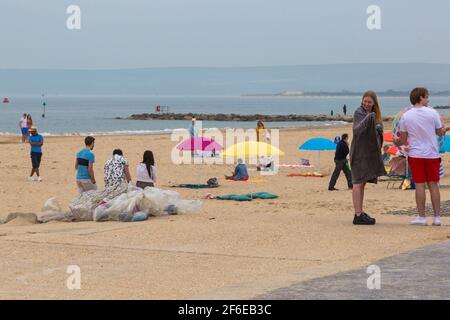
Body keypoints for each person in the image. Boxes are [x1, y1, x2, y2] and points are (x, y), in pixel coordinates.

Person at [394, 87, 450, 226]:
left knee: (419, 185)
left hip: (416, 154)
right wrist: (445, 129)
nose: (428, 99)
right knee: (433, 185)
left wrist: (396, 140)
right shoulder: (433, 113)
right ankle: (437, 218)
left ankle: (422, 217)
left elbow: (403, 139)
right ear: (421, 98)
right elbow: (439, 132)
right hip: (432, 154)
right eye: (427, 96)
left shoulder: (406, 116)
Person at [350, 91, 386, 225]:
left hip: (369, 154)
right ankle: (358, 215)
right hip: (359, 153)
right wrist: (369, 118)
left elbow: (379, 134)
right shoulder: (359, 113)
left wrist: (377, 127)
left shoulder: (376, 116)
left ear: (374, 103)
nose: (366, 104)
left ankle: (360, 212)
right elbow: (357, 130)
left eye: (369, 102)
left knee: (363, 182)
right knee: (357, 182)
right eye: (365, 101)